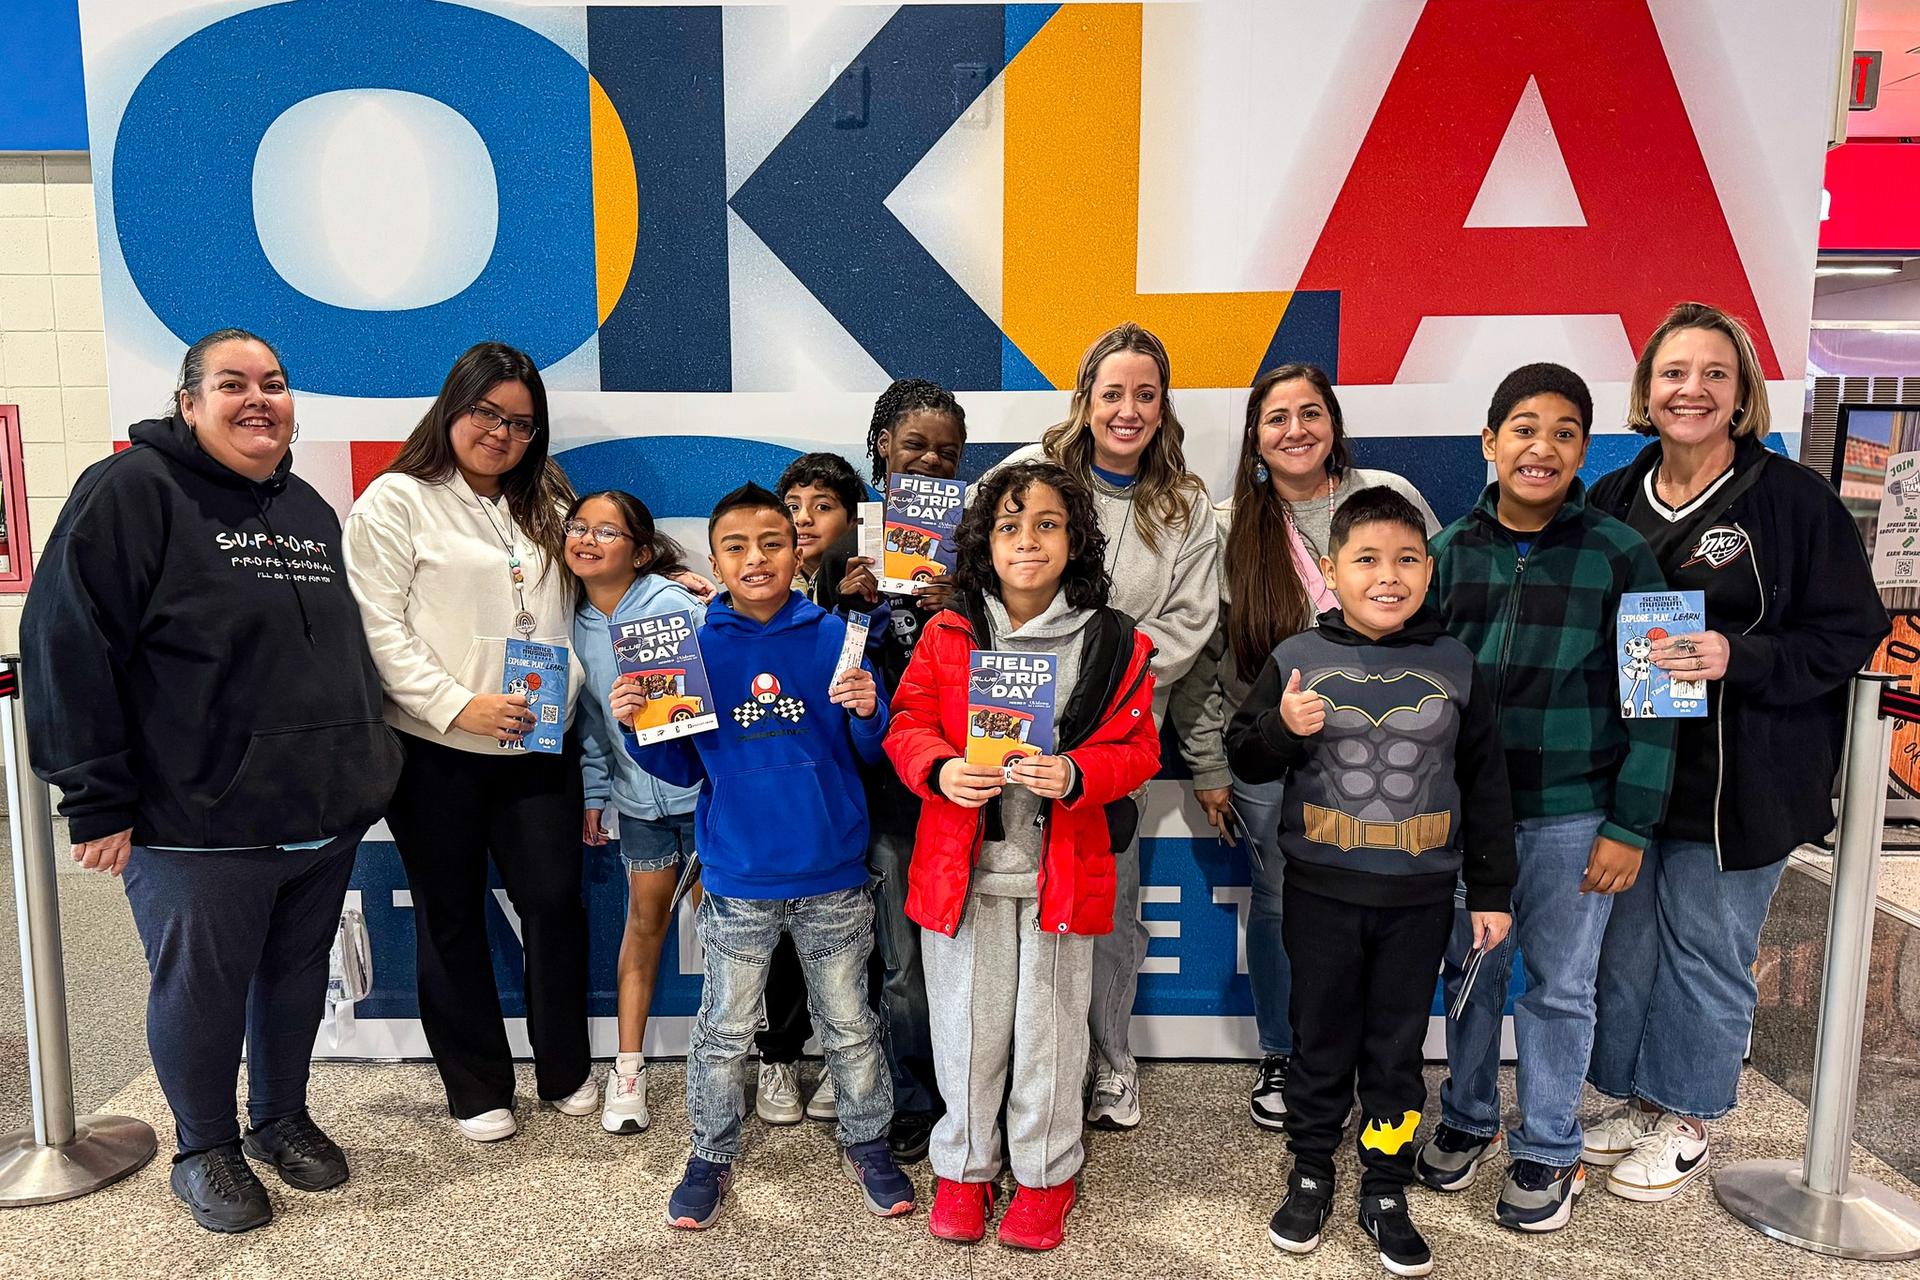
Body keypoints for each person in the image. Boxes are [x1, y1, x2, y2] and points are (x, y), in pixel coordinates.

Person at [21, 328, 403, 1232]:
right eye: (232, 384)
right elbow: (66, 645)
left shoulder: (306, 506)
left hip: (317, 811)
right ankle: (204, 1148)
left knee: (294, 978)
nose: (258, 399)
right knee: (200, 991)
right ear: (188, 402)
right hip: (199, 820)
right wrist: (95, 797)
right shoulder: (129, 493)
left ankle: (278, 1118)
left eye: (274, 382)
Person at [1584, 302, 1888, 1201]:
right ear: (1646, 389)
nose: (1693, 391)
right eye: (1675, 373)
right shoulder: (1612, 496)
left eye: (1715, 374)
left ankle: (1689, 1114)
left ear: (1744, 392)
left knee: (1707, 948)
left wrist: (1738, 656)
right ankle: (1640, 1099)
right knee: (1627, 948)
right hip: (1637, 774)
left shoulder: (1792, 500)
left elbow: (1850, 631)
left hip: (1741, 779)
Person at [1414, 363, 1676, 1234]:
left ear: (1584, 451)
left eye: (1566, 432)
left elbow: (1657, 702)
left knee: (1562, 988)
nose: (1543, 446)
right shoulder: (1447, 551)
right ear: (1490, 444)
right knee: (1472, 974)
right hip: (1468, 816)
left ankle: (1550, 1145)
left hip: (1575, 815)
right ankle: (1467, 1114)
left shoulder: (1623, 553)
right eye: (1524, 428)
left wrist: (1630, 821)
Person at [1228, 486, 1514, 1279]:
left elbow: (1488, 784)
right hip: (1320, 889)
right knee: (1318, 1045)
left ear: (1429, 568)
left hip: (1419, 898)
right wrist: (1284, 729)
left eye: (1406, 560)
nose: (1388, 576)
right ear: (1331, 570)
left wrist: (1491, 893)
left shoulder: (1454, 663)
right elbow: (1246, 754)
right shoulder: (1297, 658)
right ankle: (1313, 1169)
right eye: (1366, 560)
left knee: (1394, 1054)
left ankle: (1384, 1184)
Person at [886, 461, 1160, 1251]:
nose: (1028, 541)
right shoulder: (949, 633)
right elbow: (906, 724)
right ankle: (966, 1165)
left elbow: (1138, 749)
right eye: (1009, 526)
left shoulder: (1115, 638)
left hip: (1060, 875)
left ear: (1075, 540)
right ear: (984, 544)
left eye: (1047, 523)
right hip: (962, 875)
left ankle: (1045, 1170)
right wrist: (939, 767)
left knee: (1050, 1030)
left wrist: (1078, 772)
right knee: (967, 1027)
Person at [626, 483, 912, 1230]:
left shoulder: (836, 638)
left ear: (797, 550)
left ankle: (869, 1140)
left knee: (850, 1023)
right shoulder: (693, 649)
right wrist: (639, 728)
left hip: (834, 873)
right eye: (737, 546)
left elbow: (871, 751)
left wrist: (867, 710)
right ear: (715, 559)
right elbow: (685, 771)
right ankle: (709, 1155)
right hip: (738, 878)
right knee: (724, 1029)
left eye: (773, 543)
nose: (756, 559)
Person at [1169, 362, 1437, 1130]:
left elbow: (1435, 613)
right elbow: (1203, 661)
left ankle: (1368, 1058)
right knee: (1286, 903)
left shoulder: (1387, 501)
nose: (1295, 430)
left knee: (1382, 904)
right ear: (1255, 436)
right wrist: (1211, 766)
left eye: (1310, 412)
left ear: (1334, 423)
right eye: (1276, 417)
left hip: (1392, 753)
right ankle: (1286, 1050)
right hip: (1272, 755)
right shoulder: (1225, 527)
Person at [343, 341, 592, 1143]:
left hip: (538, 744)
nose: (502, 434)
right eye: (487, 413)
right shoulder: (396, 500)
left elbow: (576, 608)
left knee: (554, 904)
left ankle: (565, 1068)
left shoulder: (547, 498)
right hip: (434, 749)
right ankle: (476, 1085)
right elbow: (378, 630)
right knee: (449, 914)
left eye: (521, 422)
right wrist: (457, 706)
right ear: (454, 406)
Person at [987, 321, 1220, 1130]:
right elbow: (982, 582)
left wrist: (1094, 685)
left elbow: (1187, 631)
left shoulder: (1186, 506)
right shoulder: (1027, 477)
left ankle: (1111, 1062)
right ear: (1084, 400)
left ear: (1163, 407)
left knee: (1107, 908)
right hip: (1013, 736)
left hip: (1116, 743)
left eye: (1144, 395)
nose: (1127, 410)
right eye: (1111, 393)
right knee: (1009, 902)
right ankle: (1017, 1067)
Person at [820, 378, 970, 1162]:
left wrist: (964, 606)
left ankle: (981, 1092)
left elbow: (1008, 668)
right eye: (915, 445)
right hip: (886, 794)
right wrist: (850, 609)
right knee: (902, 960)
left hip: (971, 782)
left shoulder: (982, 548)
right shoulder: (845, 553)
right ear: (882, 447)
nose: (931, 461)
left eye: (948, 451)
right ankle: (914, 1096)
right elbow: (834, 680)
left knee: (979, 951)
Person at [569, 490, 704, 1135]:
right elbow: (592, 725)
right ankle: (628, 1068)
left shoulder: (673, 605)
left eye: (607, 530)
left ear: (641, 552)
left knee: (734, 936)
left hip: (705, 799)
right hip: (638, 803)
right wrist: (596, 793)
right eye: (579, 526)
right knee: (643, 926)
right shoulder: (568, 625)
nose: (588, 539)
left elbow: (721, 690)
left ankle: (735, 1065)